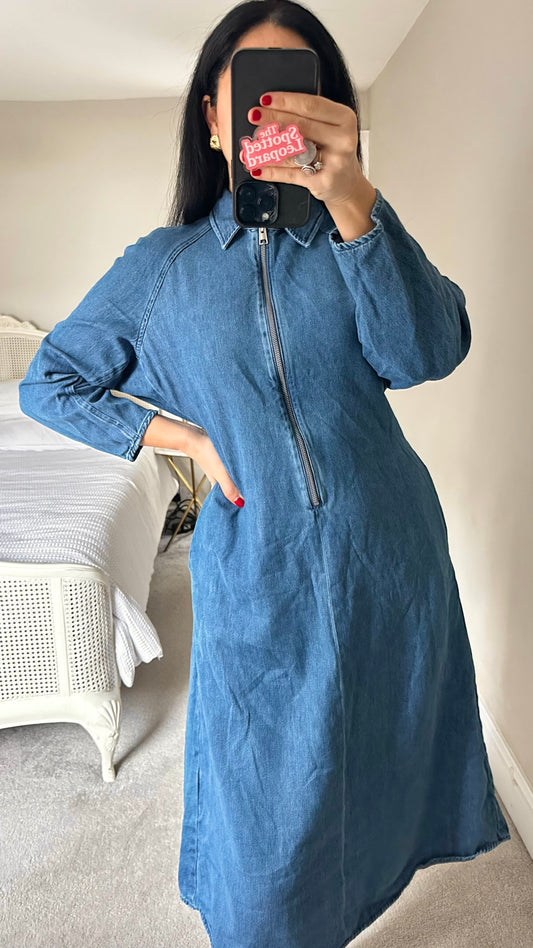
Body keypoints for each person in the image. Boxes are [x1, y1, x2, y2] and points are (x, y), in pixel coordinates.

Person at [19, 1, 511, 946]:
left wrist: (355, 202)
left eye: (300, 90)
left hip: (388, 548)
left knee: (377, 760)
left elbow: (426, 351)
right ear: (213, 117)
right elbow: (52, 382)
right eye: (250, 93)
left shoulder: (355, 234)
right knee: (264, 805)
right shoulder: (162, 268)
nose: (272, 110)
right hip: (258, 564)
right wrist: (185, 439)